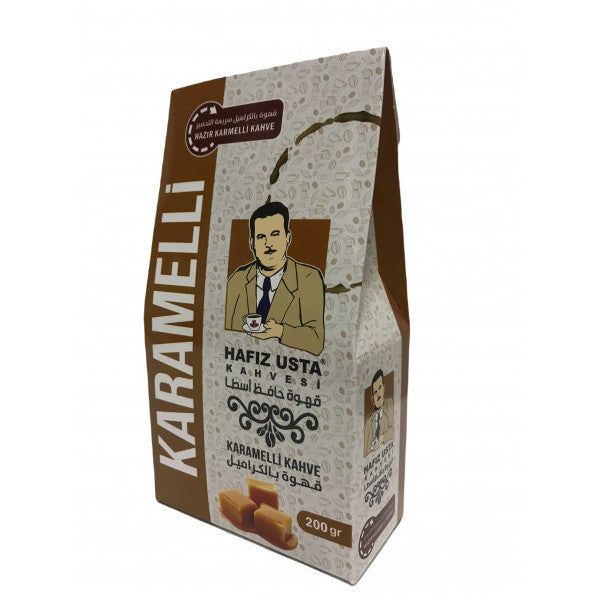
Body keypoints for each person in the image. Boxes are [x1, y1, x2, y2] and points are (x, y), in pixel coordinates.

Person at [225, 201, 325, 356]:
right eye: (261, 237)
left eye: (275, 234)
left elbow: (317, 342)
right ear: (252, 243)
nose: (268, 243)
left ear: (287, 237)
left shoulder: (308, 278)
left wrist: (280, 331)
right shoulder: (237, 280)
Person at [364, 369, 394, 455]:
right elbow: (365, 449)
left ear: (384, 387)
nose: (378, 395)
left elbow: (393, 429)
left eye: (380, 388)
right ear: (372, 398)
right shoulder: (369, 422)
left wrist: (381, 439)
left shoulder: (390, 403)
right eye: (375, 392)